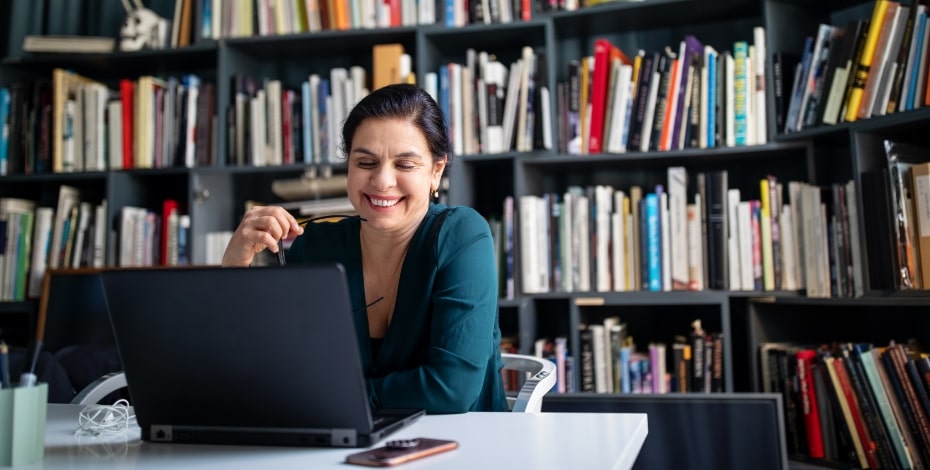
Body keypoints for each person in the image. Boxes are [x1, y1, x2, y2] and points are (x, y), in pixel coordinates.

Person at [222, 84, 508, 413]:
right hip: (341, 448)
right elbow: (261, 369)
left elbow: (450, 389)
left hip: (465, 449)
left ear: (436, 171)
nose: (382, 181)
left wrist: (330, 398)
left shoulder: (462, 235)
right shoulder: (315, 245)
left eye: (405, 165)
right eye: (365, 162)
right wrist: (234, 265)